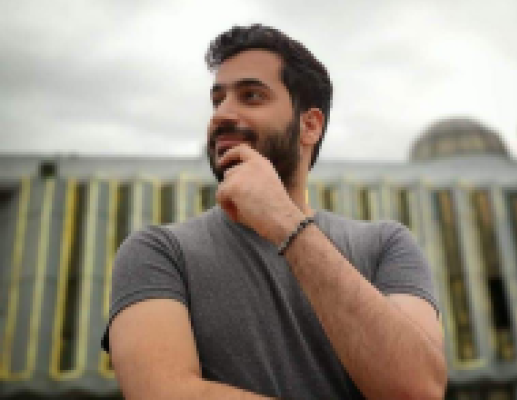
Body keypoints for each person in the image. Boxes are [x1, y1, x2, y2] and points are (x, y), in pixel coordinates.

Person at [102, 24, 447, 399]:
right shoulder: (159, 252)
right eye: (217, 100)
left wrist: (286, 223)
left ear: (309, 125)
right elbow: (162, 393)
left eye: (251, 96)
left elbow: (418, 390)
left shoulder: (385, 245)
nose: (221, 115)